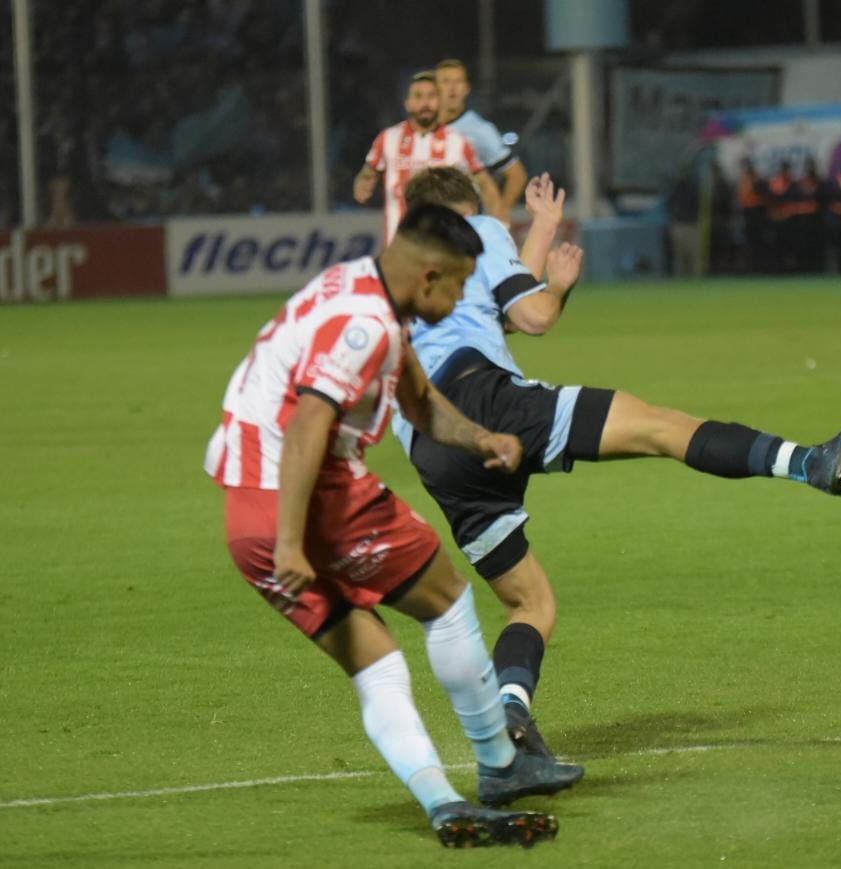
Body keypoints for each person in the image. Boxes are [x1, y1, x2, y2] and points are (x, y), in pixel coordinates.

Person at [392, 167, 841, 762]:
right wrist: (559, 284)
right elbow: (534, 316)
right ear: (463, 209)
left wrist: (544, 229)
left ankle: (511, 716)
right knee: (661, 428)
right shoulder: (477, 229)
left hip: (432, 451)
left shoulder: (395, 277)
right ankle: (810, 462)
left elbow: (485, 307)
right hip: (487, 403)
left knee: (530, 605)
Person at [204, 203, 583, 849]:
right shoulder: (365, 325)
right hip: (306, 497)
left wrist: (480, 436)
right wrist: (295, 539)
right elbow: (306, 426)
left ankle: (441, 801)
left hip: (245, 519)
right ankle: (499, 761)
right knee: (449, 601)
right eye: (463, 283)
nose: (467, 296)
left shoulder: (357, 286)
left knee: (375, 664)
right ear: (430, 275)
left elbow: (417, 400)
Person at [353, 71, 503, 245]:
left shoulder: (457, 141)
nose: (425, 103)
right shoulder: (388, 139)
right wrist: (363, 182)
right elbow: (368, 172)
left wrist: (496, 223)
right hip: (398, 247)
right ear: (407, 104)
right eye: (418, 96)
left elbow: (486, 186)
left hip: (444, 248)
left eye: (431, 96)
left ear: (440, 101)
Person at [435, 58, 529, 225]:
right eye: (446, 81)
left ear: (466, 89)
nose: (452, 88)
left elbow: (517, 175)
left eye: (458, 81)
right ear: (435, 88)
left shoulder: (480, 130)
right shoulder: (423, 130)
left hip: (466, 224)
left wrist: (500, 214)